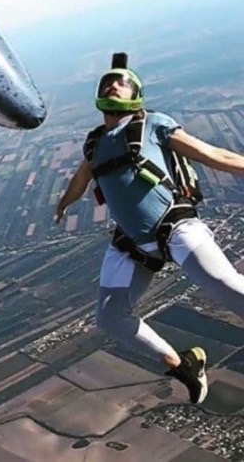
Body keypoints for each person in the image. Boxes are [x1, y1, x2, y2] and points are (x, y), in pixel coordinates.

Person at [55, 53, 244, 404]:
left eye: (122, 82)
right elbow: (81, 180)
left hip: (176, 227)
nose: (112, 84)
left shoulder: (154, 125)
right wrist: (64, 203)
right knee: (110, 318)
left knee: (224, 285)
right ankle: (184, 365)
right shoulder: (94, 143)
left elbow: (212, 155)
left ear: (136, 94)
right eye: (107, 82)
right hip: (131, 243)